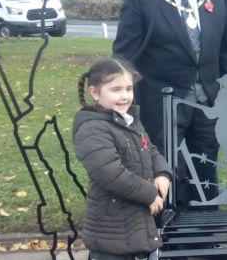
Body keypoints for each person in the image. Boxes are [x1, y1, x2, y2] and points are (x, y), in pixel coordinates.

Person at [113, 0, 227, 208]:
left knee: (206, 170)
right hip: (162, 104)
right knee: (164, 170)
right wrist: (123, 102)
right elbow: (125, 56)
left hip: (208, 101)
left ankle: (206, 237)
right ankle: (167, 236)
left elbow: (226, 51)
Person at [72, 58, 172, 260]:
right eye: (116, 90)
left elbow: (150, 149)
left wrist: (162, 173)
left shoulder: (128, 120)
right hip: (111, 227)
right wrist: (150, 193)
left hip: (136, 219)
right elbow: (111, 174)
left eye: (128, 89)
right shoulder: (92, 128)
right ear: (95, 92)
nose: (124, 96)